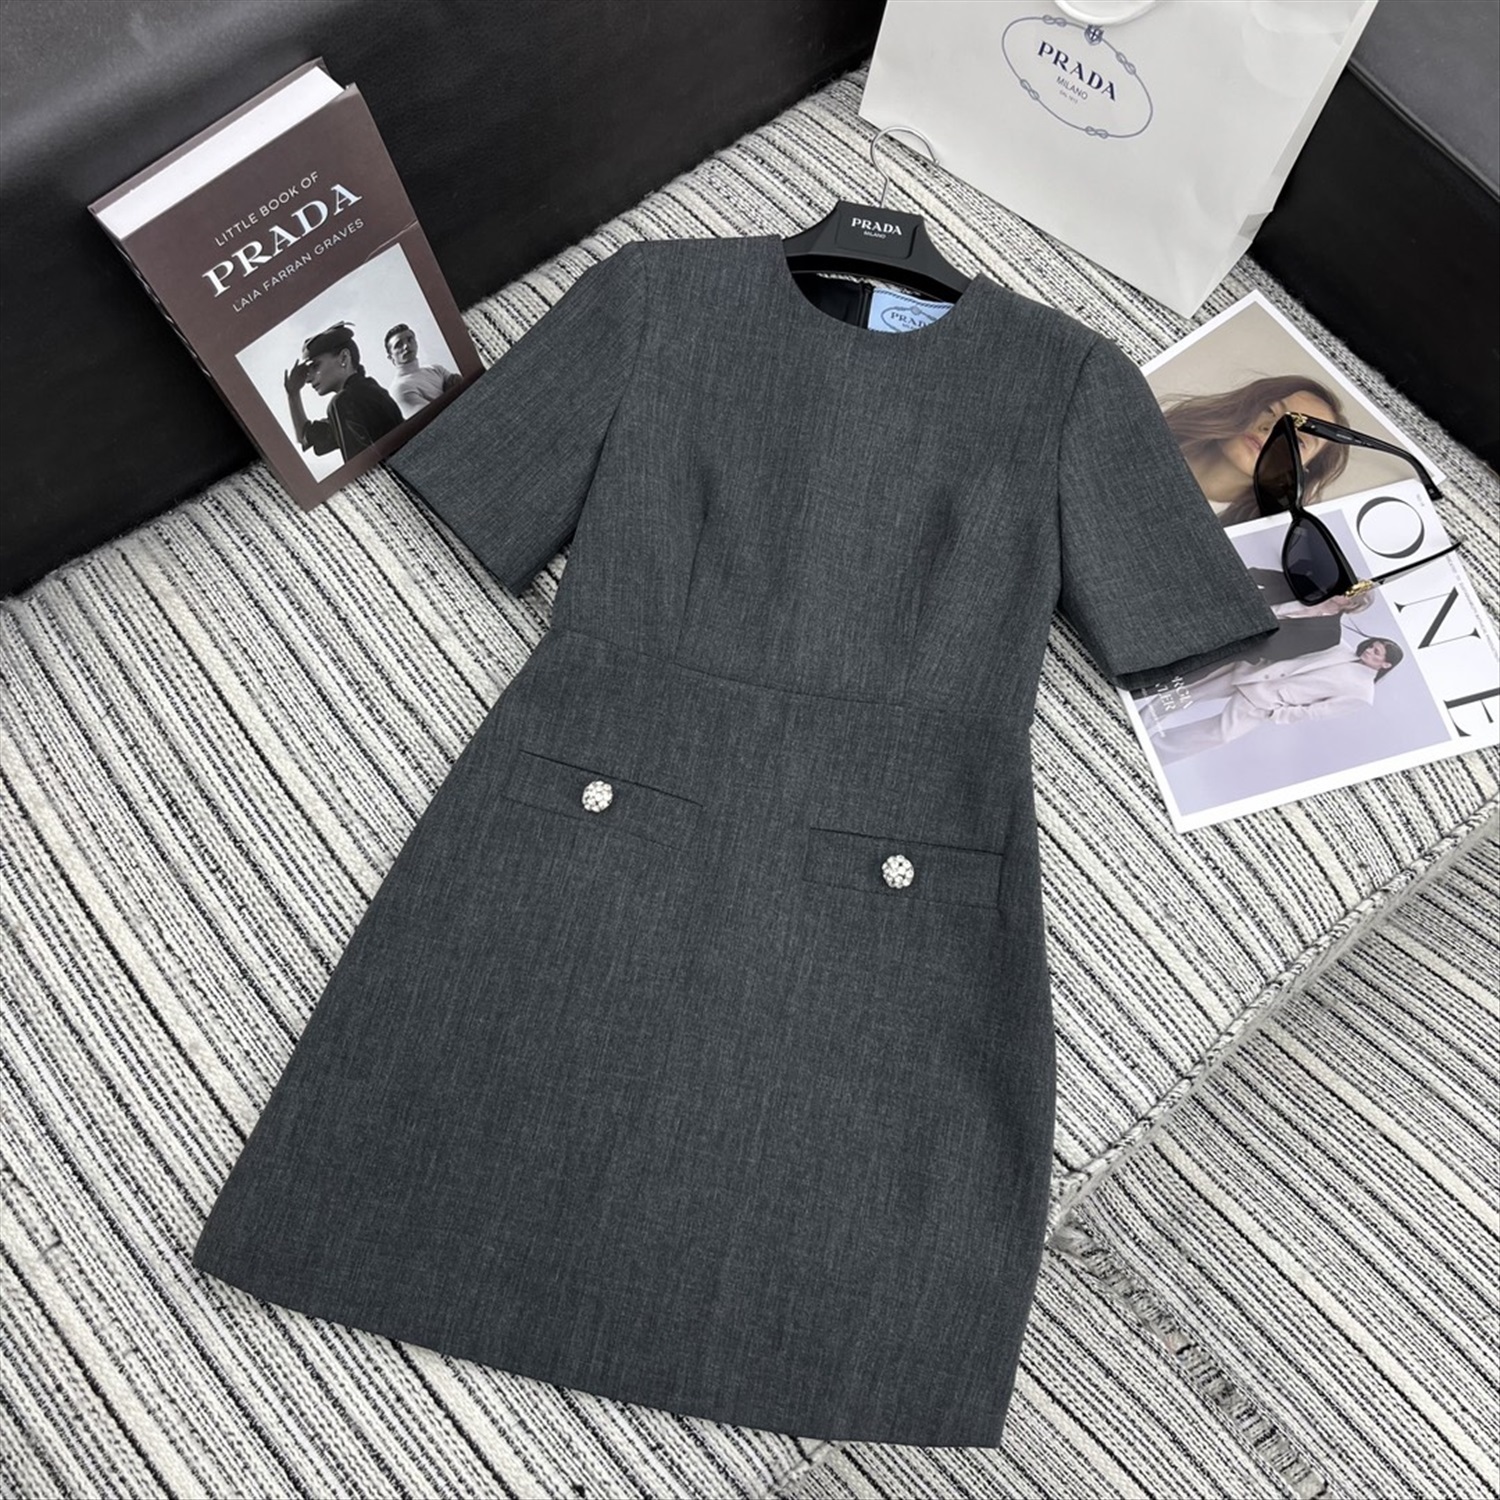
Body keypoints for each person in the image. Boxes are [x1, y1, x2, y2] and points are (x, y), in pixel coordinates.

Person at [1149, 636, 1403, 763]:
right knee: (1190, 693)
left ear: (1385, 664)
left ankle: (1155, 750)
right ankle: (1144, 719)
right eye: (1372, 646)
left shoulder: (1362, 694)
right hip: (1253, 673)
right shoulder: (1340, 646)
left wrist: (1278, 714)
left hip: (1265, 703)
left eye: (1377, 652)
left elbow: (1319, 710)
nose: (1369, 650)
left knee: (1220, 735)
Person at [1161, 375, 1350, 527]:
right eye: (1270, 410)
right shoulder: (1158, 431)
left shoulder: (1245, 537)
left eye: (1298, 440)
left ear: (1301, 471)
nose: (1271, 429)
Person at [284, 323, 404, 464]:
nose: (308, 379)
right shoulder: (367, 391)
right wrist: (293, 394)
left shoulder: (345, 401)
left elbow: (363, 467)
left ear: (344, 358)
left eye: (315, 366)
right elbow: (306, 437)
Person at [384, 324, 461, 416]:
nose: (406, 346)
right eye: (398, 345)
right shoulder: (399, 388)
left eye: (410, 339)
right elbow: (434, 417)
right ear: (391, 357)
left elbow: (462, 388)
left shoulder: (436, 369)